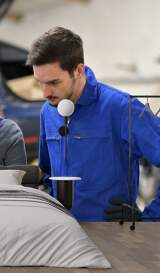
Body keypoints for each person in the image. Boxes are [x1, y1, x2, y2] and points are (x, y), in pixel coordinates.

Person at [28, 27, 160, 221]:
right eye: (40, 82)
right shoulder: (48, 111)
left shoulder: (122, 109)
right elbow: (47, 174)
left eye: (54, 82)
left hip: (112, 238)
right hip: (61, 235)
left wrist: (149, 219)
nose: (45, 93)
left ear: (78, 70)